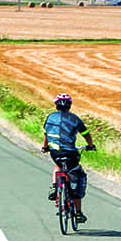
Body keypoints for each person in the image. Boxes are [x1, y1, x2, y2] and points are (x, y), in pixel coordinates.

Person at [42, 93, 97, 223]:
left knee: (58, 166)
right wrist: (90, 145)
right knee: (76, 176)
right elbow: (86, 134)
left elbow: (46, 135)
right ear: (69, 106)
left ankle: (55, 187)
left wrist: (45, 147)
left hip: (55, 152)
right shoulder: (75, 119)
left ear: (56, 105)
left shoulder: (50, 117)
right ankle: (78, 213)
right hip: (70, 152)